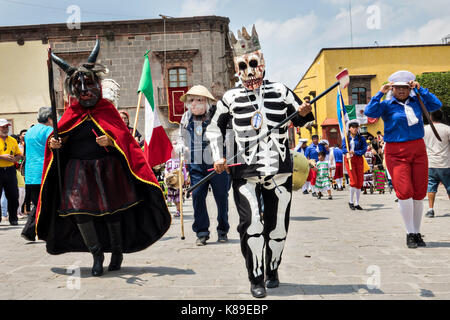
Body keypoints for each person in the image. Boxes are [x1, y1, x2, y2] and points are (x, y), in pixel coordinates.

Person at [36, 38, 171, 276]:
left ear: (97, 85)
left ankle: (117, 251)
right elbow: (59, 143)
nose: (85, 91)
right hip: (77, 172)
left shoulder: (107, 110)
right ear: (73, 91)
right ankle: (96, 253)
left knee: (112, 213)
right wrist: (55, 143)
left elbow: (125, 141)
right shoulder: (71, 113)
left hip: (108, 170)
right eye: (79, 88)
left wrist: (110, 142)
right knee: (79, 213)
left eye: (89, 85)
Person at [206, 25, 313, 298]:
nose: (249, 71)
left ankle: (272, 268)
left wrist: (303, 111)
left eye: (253, 64)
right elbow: (214, 129)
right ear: (236, 69)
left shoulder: (281, 90)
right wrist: (218, 155)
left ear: (263, 64)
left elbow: (301, 117)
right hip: (245, 173)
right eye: (243, 66)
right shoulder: (229, 98)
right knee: (252, 225)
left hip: (279, 172)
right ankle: (256, 278)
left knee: (278, 228)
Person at [364, 70, 442, 248]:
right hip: (396, 152)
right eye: (397, 87)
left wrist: (421, 90)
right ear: (392, 88)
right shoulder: (386, 104)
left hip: (418, 149)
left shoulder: (417, 101)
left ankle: (417, 231)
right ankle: (410, 233)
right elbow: (369, 111)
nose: (401, 90)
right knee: (405, 191)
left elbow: (436, 104)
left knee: (419, 192)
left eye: (405, 87)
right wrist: (380, 93)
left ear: (410, 88)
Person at [177, 85, 230, 246]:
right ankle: (202, 232)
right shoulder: (186, 117)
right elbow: (181, 136)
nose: (194, 103)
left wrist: (225, 158)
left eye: (198, 99)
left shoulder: (217, 115)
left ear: (207, 101)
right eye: (191, 100)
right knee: (198, 196)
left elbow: (228, 136)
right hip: (196, 164)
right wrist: (180, 146)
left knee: (221, 198)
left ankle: (223, 230)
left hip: (217, 163)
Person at [21, 107, 54, 241]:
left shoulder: (29, 131)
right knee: (46, 203)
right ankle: (34, 231)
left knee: (39, 203)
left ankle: (31, 231)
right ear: (50, 119)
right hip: (44, 172)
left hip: (31, 173)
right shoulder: (49, 131)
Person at [423, 109, 450, 218]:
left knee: (431, 187)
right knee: (449, 186)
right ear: (442, 117)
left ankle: (430, 209)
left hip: (430, 163)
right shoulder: (447, 129)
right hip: (445, 163)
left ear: (431, 117)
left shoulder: (424, 130)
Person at [0, 119, 24, 225]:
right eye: (3, 127)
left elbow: (18, 155)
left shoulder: (12, 140)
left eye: (7, 127)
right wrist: (2, 157)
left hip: (10, 170)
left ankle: (13, 218)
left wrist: (16, 159)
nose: (5, 129)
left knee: (14, 195)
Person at [342, 119, 367, 210]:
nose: (355, 129)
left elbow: (364, 150)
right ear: (349, 129)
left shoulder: (361, 138)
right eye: (353, 127)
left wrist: (355, 152)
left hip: (359, 159)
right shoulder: (346, 138)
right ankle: (351, 201)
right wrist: (347, 153)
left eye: (356, 127)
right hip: (349, 160)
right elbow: (344, 148)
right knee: (353, 181)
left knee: (359, 182)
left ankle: (357, 203)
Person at [164, 145, 188, 218]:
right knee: (172, 198)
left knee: (178, 198)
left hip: (179, 182)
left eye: (174, 152)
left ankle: (178, 211)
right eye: (172, 152)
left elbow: (184, 170)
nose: (173, 153)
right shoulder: (168, 162)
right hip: (171, 182)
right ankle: (177, 207)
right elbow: (166, 170)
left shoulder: (180, 161)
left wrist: (186, 179)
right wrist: (166, 175)